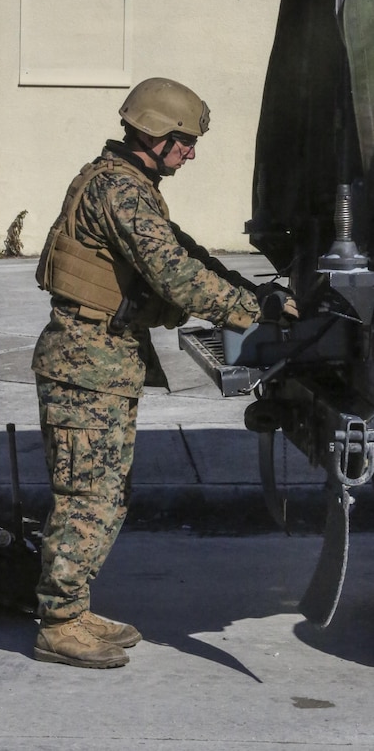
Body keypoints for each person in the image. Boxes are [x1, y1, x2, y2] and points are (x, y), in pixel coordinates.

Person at [31, 77, 294, 669]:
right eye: (184, 140)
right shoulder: (120, 192)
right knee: (87, 496)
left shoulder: (129, 184)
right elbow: (173, 274)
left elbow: (184, 250)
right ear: (154, 133)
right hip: (85, 364)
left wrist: (252, 290)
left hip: (103, 361)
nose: (191, 152)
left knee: (105, 492)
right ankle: (59, 622)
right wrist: (255, 310)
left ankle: (74, 605)